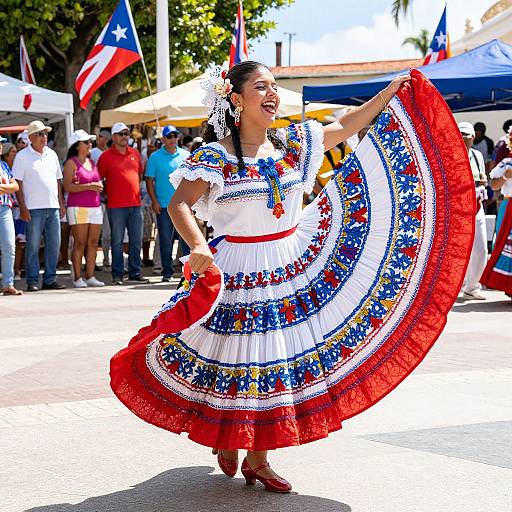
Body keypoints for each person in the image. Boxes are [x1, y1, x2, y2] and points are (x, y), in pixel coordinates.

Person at [110, 63, 475, 493]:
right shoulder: (214, 156)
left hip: (285, 264)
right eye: (260, 86)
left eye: (273, 86)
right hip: (236, 269)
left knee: (273, 359)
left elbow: (344, 126)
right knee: (235, 359)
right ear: (235, 98)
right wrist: (197, 244)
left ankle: (258, 459)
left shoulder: (291, 146)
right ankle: (229, 439)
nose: (272, 94)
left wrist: (388, 94)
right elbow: (179, 205)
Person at [12, 120, 65, 292]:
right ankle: (33, 280)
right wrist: (23, 208)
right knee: (33, 245)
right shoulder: (22, 156)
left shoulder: (52, 154)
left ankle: (50, 279)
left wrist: (61, 203)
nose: (44, 137)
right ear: (31, 137)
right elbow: (17, 183)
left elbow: (58, 181)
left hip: (53, 207)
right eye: (40, 134)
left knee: (53, 245)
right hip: (33, 208)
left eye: (45, 133)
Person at [97, 122, 148, 285]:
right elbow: (99, 179)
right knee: (117, 241)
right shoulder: (105, 157)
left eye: (126, 133)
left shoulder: (135, 153)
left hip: (135, 205)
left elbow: (139, 175)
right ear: (113, 137)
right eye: (121, 134)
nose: (125, 137)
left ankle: (135, 272)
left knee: (136, 240)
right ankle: (117, 274)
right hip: (115, 206)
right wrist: (107, 193)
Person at [145, 125, 189, 282]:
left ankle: (188, 273)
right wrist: (154, 201)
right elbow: (149, 180)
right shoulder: (155, 157)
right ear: (163, 139)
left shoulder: (186, 155)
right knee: (165, 240)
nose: (172, 139)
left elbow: (192, 179)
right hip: (163, 206)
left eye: (175, 135)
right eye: (169, 136)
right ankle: (167, 272)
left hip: (184, 206)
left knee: (186, 240)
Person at [63, 130, 105, 288]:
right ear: (77, 146)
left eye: (90, 141)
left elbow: (97, 181)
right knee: (79, 243)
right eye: (86, 142)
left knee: (93, 243)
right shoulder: (71, 163)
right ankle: (77, 277)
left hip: (95, 206)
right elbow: (67, 186)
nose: (90, 144)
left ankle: (90, 275)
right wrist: (89, 186)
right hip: (78, 207)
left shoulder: (92, 162)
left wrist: (98, 185)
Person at [481, 127, 512, 298]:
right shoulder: (507, 163)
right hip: (510, 206)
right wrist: (506, 176)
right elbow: (493, 185)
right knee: (507, 245)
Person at [459, 122, 488, 300]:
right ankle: (459, 284)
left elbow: (482, 179)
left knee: (481, 249)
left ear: (473, 137)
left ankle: (472, 286)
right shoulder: (450, 154)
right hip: (458, 209)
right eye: (460, 134)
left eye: (466, 135)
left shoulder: (477, 156)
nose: (463, 138)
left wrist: (482, 183)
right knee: (458, 249)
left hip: (476, 206)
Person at [0, 136, 22, 295]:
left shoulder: (3, 166)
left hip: (4, 209)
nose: (1, 145)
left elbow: (15, 186)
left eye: (1, 143)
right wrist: (7, 187)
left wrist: (2, 187)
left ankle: (8, 283)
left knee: (9, 245)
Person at [90, 129, 111, 268]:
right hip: (98, 198)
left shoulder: (109, 153)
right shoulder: (93, 153)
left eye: (104, 137)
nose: (102, 139)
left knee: (108, 232)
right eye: (100, 137)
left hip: (110, 197)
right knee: (98, 232)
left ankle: (106, 259)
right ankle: (94, 261)